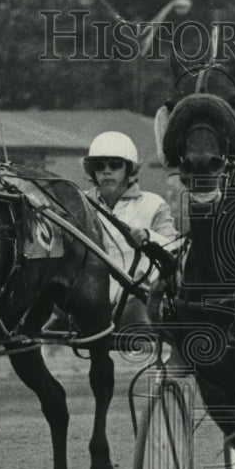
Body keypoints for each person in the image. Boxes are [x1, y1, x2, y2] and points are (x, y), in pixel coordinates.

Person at [83, 131, 178, 328]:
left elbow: (174, 249)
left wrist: (147, 236)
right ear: (91, 171)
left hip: (137, 300)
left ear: (129, 169)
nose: (106, 171)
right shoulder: (79, 202)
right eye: (99, 166)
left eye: (115, 165)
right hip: (85, 299)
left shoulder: (154, 204)